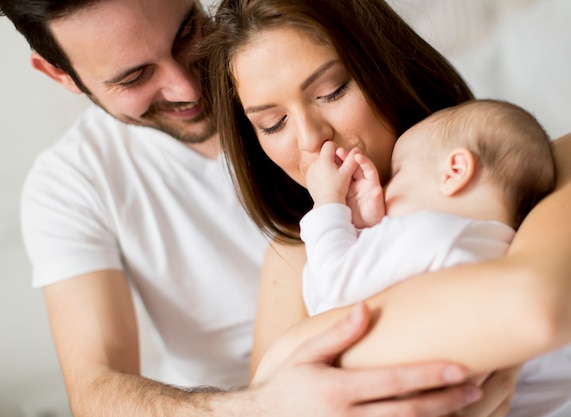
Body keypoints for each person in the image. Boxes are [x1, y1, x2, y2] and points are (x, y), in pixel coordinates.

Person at [0, 0, 520, 416]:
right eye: (135, 77)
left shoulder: (279, 51)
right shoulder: (71, 183)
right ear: (60, 75)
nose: (186, 84)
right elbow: (94, 388)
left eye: (185, 32)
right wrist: (262, 405)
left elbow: (501, 160)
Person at [202, 0, 571, 415]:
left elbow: (535, 308)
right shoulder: (293, 256)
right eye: (272, 124)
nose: (311, 139)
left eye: (332, 91)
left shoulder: (564, 160)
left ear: (386, 65)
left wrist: (295, 354)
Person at [299, 99, 555, 316]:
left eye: (397, 174)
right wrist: (365, 227)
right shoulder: (503, 248)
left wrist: (327, 200)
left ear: (454, 171)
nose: (384, 189)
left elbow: (331, 288)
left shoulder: (428, 233)